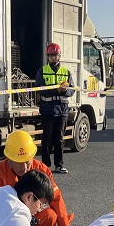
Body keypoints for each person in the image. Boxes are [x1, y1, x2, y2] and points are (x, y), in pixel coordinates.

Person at [0, 129, 76, 226]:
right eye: (19, 163)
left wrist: (64, 225)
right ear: (9, 159)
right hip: (7, 222)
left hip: (32, 217)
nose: (25, 168)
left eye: (28, 162)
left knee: (49, 216)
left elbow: (55, 196)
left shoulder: (41, 169)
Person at [35, 42, 75, 174]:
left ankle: (59, 165)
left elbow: (72, 90)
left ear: (59, 56)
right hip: (47, 109)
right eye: (51, 55)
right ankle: (45, 166)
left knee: (59, 139)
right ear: (48, 57)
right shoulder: (42, 71)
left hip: (62, 110)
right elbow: (40, 89)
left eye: (56, 55)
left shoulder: (66, 72)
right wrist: (56, 90)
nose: (53, 57)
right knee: (46, 139)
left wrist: (65, 91)